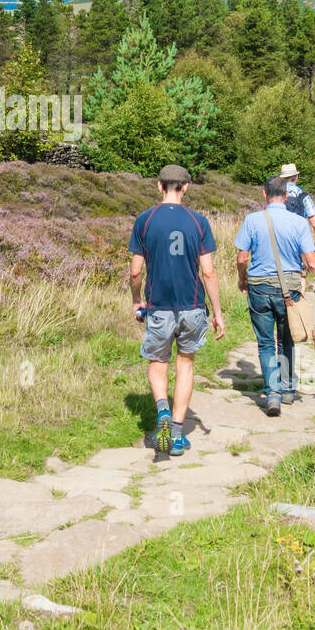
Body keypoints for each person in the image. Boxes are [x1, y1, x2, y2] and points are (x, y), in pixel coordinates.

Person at [129, 164, 226, 456]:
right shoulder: (199, 222)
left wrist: (137, 300)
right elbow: (208, 272)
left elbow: (135, 271)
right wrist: (217, 312)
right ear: (186, 188)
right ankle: (178, 435)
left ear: (159, 186)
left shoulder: (144, 221)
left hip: (158, 306)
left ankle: (162, 410)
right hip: (192, 306)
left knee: (158, 362)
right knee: (186, 363)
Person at [235, 176, 315, 416]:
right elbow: (312, 263)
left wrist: (242, 279)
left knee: (265, 342)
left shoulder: (252, 220)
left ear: (264, 195)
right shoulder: (297, 222)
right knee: (287, 339)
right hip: (289, 289)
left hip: (260, 287)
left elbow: (242, 258)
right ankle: (288, 389)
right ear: (286, 196)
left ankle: (271, 393)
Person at [277, 163, 315, 284]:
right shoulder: (303, 196)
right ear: (296, 177)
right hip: (297, 239)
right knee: (301, 273)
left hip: (276, 237)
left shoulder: (275, 195)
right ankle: (298, 299)